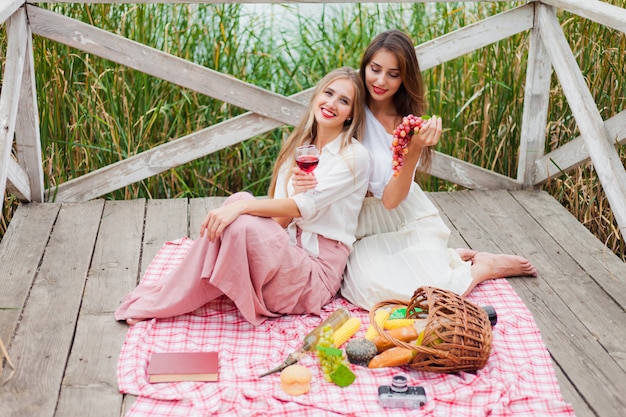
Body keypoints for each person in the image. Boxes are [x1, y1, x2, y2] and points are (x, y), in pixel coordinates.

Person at [114, 67, 371, 325]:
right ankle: (175, 292)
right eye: (328, 93)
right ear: (317, 95)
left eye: (344, 101)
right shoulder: (302, 149)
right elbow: (281, 223)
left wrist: (242, 208)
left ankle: (174, 299)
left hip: (314, 278)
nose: (332, 104)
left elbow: (301, 207)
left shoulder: (354, 158)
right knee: (238, 203)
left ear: (351, 114)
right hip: (290, 254)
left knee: (241, 215)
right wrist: (260, 201)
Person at [339, 30, 537, 310]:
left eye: (393, 74)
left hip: (401, 215)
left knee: (423, 294)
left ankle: (481, 268)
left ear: (404, 78)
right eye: (375, 69)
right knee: (373, 291)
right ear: (365, 67)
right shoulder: (351, 107)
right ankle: (451, 258)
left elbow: (392, 200)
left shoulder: (410, 125)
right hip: (361, 223)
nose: (381, 81)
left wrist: (415, 149)